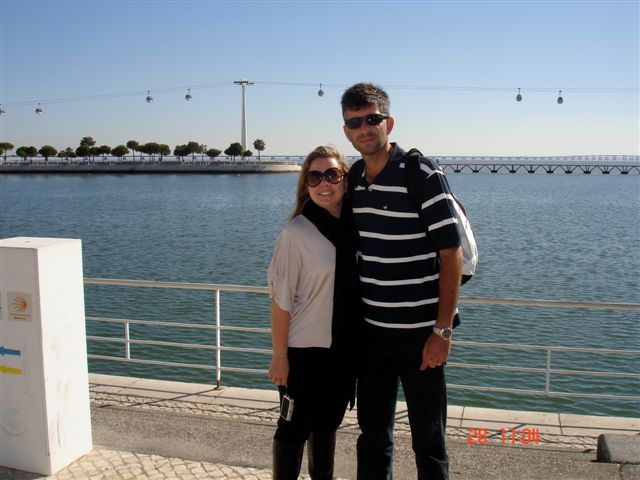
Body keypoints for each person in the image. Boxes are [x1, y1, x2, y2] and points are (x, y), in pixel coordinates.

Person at [341, 83, 463, 480]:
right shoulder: (354, 178)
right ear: (346, 131)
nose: (364, 128)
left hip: (420, 337)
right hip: (371, 337)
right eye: (354, 123)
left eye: (372, 119)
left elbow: (452, 255)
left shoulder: (421, 173)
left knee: (429, 440)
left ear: (388, 123)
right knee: (373, 437)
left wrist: (442, 331)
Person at [267, 145, 360, 480]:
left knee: (327, 427)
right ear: (306, 184)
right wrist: (280, 356)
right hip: (303, 352)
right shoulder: (295, 234)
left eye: (332, 175)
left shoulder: (356, 229)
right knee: (293, 428)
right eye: (315, 176)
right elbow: (281, 301)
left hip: (343, 351)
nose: (324, 183)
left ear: (345, 180)